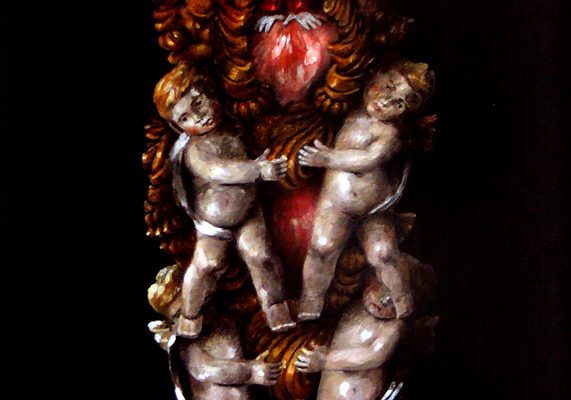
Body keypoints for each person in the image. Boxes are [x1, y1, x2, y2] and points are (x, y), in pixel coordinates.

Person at [153, 63, 296, 339]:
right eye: (186, 117)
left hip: (249, 213)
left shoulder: (233, 128)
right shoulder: (195, 150)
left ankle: (275, 307)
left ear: (210, 91)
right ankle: (190, 316)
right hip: (213, 225)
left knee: (261, 256)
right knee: (206, 265)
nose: (199, 117)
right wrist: (258, 170)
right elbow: (220, 171)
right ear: (177, 126)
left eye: (198, 103)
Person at [297, 61, 435, 320]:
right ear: (375, 77)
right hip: (335, 204)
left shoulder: (389, 133)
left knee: (384, 254)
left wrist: (328, 159)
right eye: (388, 88)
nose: (387, 102)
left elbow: (369, 159)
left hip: (374, 210)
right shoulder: (348, 113)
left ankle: (403, 301)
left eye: (400, 104)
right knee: (322, 248)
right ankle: (311, 303)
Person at [294, 259, 438, 400]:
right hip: (329, 387)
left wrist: (325, 360)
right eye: (383, 287)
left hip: (356, 393)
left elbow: (374, 355)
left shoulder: (393, 327)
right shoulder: (352, 307)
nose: (385, 301)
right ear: (370, 277)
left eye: (397, 299)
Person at [148, 266, 283, 400]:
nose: (190, 316)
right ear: (172, 323)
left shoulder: (223, 318)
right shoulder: (189, 345)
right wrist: (251, 372)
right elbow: (210, 370)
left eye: (193, 305)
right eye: (179, 315)